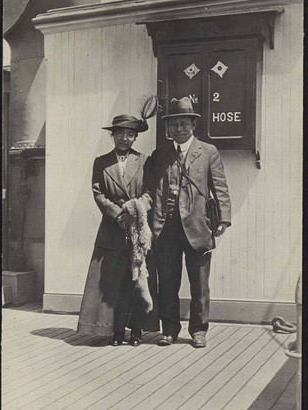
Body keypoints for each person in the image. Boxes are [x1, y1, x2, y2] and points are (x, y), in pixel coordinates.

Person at [142, 96, 231, 348]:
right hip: (166, 229)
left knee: (199, 283)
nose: (179, 130)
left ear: (193, 125)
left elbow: (220, 188)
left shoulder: (208, 152)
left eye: (184, 124)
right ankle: (169, 329)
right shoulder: (159, 155)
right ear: (168, 129)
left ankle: (199, 330)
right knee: (167, 282)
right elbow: (150, 189)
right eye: (174, 125)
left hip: (198, 227)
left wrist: (223, 219)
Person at [77, 113, 159, 347]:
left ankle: (136, 332)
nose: (125, 137)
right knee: (113, 282)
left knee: (137, 280)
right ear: (112, 135)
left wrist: (136, 209)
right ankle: (116, 332)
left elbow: (151, 191)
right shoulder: (101, 162)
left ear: (135, 137)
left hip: (138, 227)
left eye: (130, 134)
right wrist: (118, 214)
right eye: (120, 133)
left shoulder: (145, 161)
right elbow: (98, 194)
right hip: (113, 230)